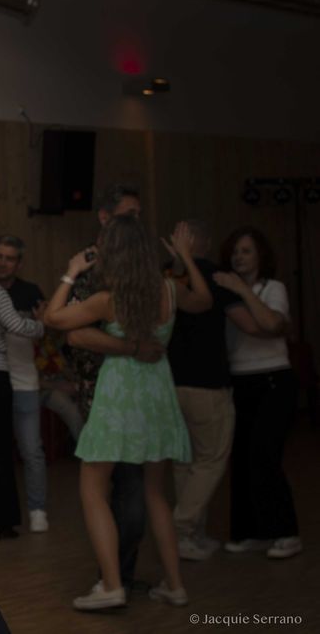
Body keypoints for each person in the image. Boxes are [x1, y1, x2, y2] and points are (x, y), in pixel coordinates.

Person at [45, 218, 211, 611]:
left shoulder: (110, 299)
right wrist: (186, 257)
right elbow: (205, 300)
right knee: (156, 493)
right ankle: (175, 585)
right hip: (157, 393)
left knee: (92, 488)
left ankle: (112, 585)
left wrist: (71, 272)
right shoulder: (170, 289)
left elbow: (53, 318)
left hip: (119, 395)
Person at [62, 185, 162, 595]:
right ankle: (112, 576)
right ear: (105, 218)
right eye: (129, 213)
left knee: (132, 485)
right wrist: (132, 347)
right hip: (99, 387)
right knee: (116, 484)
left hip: (138, 387)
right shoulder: (91, 266)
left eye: (139, 213)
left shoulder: (144, 267)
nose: (137, 220)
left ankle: (120, 575)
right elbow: (74, 332)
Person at [214, 227, 302, 560]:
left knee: (264, 455)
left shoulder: (273, 288)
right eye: (235, 251)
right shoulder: (225, 293)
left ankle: (287, 532)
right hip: (239, 381)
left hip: (274, 380)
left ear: (261, 255)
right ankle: (250, 532)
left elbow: (274, 324)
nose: (239, 256)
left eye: (246, 250)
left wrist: (242, 290)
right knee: (241, 460)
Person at [164, 218, 240, 561]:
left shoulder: (166, 275)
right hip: (207, 383)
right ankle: (182, 529)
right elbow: (213, 306)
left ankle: (191, 536)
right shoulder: (215, 276)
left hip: (174, 382)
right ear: (206, 244)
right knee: (210, 460)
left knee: (185, 463)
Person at [0, 234, 51, 533]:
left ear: (19, 263)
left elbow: (45, 330)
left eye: (9, 258)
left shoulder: (31, 292)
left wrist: (43, 323)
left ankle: (38, 510)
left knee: (31, 451)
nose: (2, 263)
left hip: (25, 381)